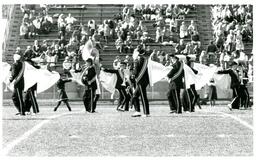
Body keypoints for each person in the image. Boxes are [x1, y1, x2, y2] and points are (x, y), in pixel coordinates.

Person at [131, 46, 150, 117]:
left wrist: (133, 75)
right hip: (144, 80)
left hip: (141, 80)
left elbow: (136, 71)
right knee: (135, 96)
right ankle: (138, 111)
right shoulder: (145, 59)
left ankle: (146, 112)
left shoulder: (137, 59)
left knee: (143, 96)